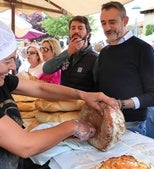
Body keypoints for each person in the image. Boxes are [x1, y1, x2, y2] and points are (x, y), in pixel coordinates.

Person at [0, 21, 119, 169]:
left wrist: (84, 95)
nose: (13, 66)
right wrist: (72, 126)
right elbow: (25, 145)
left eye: (14, 58)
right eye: (7, 60)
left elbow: (41, 88)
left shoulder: (3, 80)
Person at [95, 1, 154, 134]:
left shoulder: (143, 49)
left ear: (125, 21)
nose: (107, 27)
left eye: (112, 22)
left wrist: (121, 104)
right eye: (103, 23)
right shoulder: (104, 52)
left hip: (131, 125)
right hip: (104, 121)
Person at [43, 16, 98, 91]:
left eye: (80, 28)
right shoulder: (67, 55)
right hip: (63, 100)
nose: (76, 31)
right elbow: (46, 69)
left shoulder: (95, 58)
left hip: (82, 101)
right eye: (73, 28)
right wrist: (68, 52)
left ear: (88, 34)